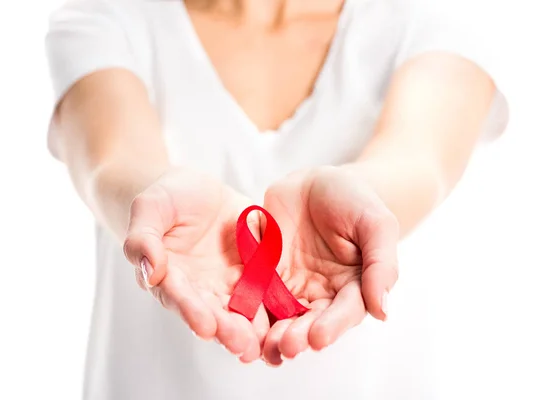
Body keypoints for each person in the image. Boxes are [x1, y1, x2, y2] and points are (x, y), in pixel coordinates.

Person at [45, 0, 508, 399]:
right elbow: (110, 161)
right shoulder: (110, 15)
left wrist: (366, 199)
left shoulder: (431, 16)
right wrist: (152, 201)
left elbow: (419, 159)